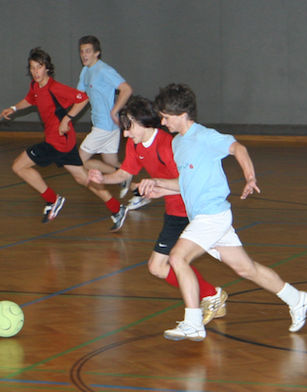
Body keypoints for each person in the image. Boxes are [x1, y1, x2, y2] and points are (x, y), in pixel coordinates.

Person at [144, 83, 307, 341]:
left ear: (180, 114)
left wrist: (250, 177)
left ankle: (193, 322)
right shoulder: (178, 144)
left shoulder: (205, 136)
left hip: (212, 216)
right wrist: (159, 186)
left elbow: (238, 149)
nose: (163, 122)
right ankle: (296, 298)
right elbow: (186, 182)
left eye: (165, 117)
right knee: (246, 269)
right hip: (203, 218)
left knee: (177, 258)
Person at [88, 95, 228, 324]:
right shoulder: (134, 144)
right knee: (157, 266)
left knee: (230, 263)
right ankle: (212, 295)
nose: (125, 134)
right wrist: (102, 178)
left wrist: (157, 184)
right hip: (175, 212)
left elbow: (188, 183)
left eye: (128, 127)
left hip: (195, 210)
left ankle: (202, 307)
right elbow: (124, 173)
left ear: (143, 122)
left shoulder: (168, 145)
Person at [0, 47, 127, 231]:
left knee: (19, 166)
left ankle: (53, 199)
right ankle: (116, 208)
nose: (35, 72)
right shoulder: (36, 86)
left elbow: (83, 98)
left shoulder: (55, 88)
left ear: (47, 68)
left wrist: (67, 118)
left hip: (58, 142)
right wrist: (14, 108)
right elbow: (31, 99)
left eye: (39, 67)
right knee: (83, 179)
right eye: (32, 68)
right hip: (62, 142)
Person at [77, 36, 148, 211]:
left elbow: (126, 89)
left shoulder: (103, 70)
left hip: (105, 127)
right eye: (81, 51)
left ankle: (112, 200)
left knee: (77, 162)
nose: (84, 55)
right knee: (113, 165)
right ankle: (139, 189)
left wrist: (114, 110)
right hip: (106, 127)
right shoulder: (85, 72)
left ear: (97, 53)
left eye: (88, 51)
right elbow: (78, 97)